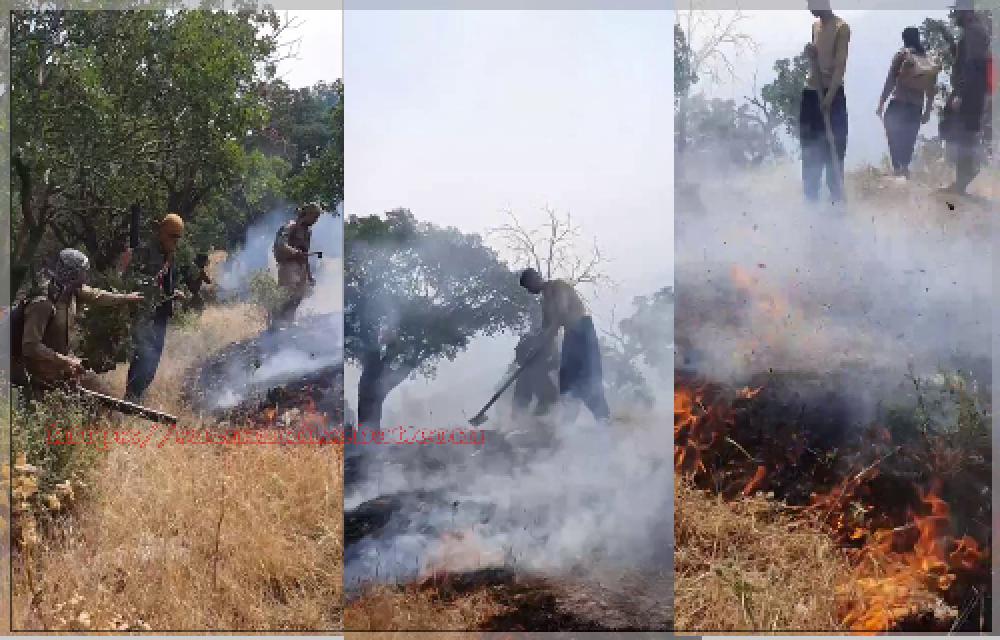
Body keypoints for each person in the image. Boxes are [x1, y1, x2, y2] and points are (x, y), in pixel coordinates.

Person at [12, 249, 143, 396]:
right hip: (38, 371)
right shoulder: (43, 303)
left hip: (62, 366)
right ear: (72, 275)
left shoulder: (71, 291)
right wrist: (67, 361)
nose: (85, 278)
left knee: (104, 394)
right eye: (82, 273)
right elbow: (30, 347)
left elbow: (98, 296)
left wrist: (127, 298)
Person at [519, 268, 610, 425]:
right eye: (527, 289)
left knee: (588, 376)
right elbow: (546, 328)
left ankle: (603, 418)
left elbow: (561, 313)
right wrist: (535, 351)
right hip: (570, 335)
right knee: (567, 380)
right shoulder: (544, 301)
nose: (529, 290)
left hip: (583, 331)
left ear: (536, 278)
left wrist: (548, 334)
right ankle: (568, 424)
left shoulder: (558, 286)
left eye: (528, 285)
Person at [123, 213, 189, 402]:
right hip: (145, 314)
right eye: (172, 236)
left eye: (178, 237)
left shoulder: (169, 255)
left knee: (154, 358)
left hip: (160, 313)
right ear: (161, 233)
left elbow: (163, 282)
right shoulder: (144, 252)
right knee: (144, 355)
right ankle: (132, 397)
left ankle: (138, 394)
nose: (175, 241)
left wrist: (173, 292)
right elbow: (132, 280)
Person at [801, 5, 851, 203]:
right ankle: (810, 201)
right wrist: (810, 54)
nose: (810, 7)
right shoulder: (815, 26)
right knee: (810, 148)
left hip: (832, 95)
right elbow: (817, 59)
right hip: (811, 94)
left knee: (834, 149)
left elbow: (840, 65)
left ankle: (837, 202)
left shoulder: (841, 28)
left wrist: (829, 98)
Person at [941, 6, 991, 195]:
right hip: (973, 91)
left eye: (959, 13)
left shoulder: (974, 32)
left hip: (970, 93)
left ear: (967, 13)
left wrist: (960, 93)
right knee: (962, 131)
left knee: (960, 131)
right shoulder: (974, 32)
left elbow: (972, 65)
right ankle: (963, 178)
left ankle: (966, 175)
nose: (956, 17)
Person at [877, 27, 939, 178]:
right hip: (916, 107)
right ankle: (904, 168)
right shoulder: (928, 61)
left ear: (904, 39)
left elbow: (890, 80)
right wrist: (927, 111)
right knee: (909, 139)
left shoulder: (902, 55)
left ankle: (898, 168)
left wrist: (881, 102)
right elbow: (931, 89)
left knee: (892, 132)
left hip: (899, 102)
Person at [272, 203, 322, 326]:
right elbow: (280, 244)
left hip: (301, 266)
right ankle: (277, 323)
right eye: (315, 217)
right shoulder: (290, 226)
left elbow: (305, 254)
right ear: (308, 214)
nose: (316, 220)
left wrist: (309, 276)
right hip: (288, 264)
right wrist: (295, 252)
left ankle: (288, 322)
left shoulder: (307, 232)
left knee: (298, 297)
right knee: (287, 295)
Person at [511, 331, 560, 417]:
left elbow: (555, 362)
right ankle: (521, 422)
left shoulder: (550, 341)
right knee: (520, 404)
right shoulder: (529, 339)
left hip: (538, 376)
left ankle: (535, 422)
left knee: (547, 400)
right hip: (529, 375)